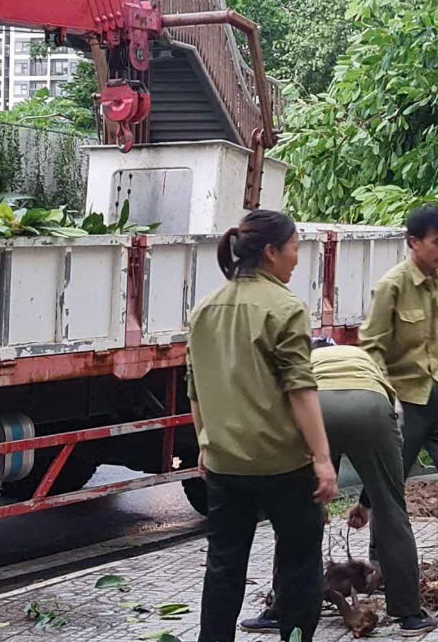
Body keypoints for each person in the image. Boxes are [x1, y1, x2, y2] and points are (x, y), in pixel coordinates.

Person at [186, 209, 338, 642]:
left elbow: (194, 387)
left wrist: (205, 443)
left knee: (224, 568)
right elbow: (301, 389)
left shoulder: (204, 309)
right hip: (283, 464)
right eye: (293, 249)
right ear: (271, 252)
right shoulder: (286, 308)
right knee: (298, 566)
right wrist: (323, 459)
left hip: (225, 463)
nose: (296, 258)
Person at [240, 339, 437, 637]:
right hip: (371, 405)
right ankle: (409, 615)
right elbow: (391, 453)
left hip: (317, 406)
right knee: (392, 510)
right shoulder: (365, 361)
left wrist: (310, 502)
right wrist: (368, 503)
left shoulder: (306, 361)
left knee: (297, 513)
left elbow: (283, 409)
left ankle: (282, 611)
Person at [359, 205, 438, 565]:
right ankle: (381, 555)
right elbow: (372, 345)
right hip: (404, 396)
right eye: (436, 243)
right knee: (392, 478)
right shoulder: (392, 286)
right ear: (414, 242)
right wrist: (385, 395)